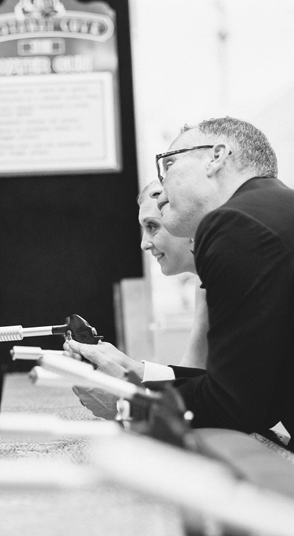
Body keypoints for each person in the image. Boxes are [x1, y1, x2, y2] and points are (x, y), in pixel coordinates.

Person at [69, 117, 294, 512]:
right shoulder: (271, 212)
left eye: (168, 164)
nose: (160, 188)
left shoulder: (236, 222)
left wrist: (127, 400)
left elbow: (232, 406)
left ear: (217, 157)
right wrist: (134, 379)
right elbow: (255, 393)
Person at [72, 180, 208, 419]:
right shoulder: (203, 284)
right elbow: (193, 377)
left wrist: (128, 405)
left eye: (152, 226)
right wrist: (129, 367)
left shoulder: (225, 279)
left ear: (189, 223)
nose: (144, 244)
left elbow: (233, 399)